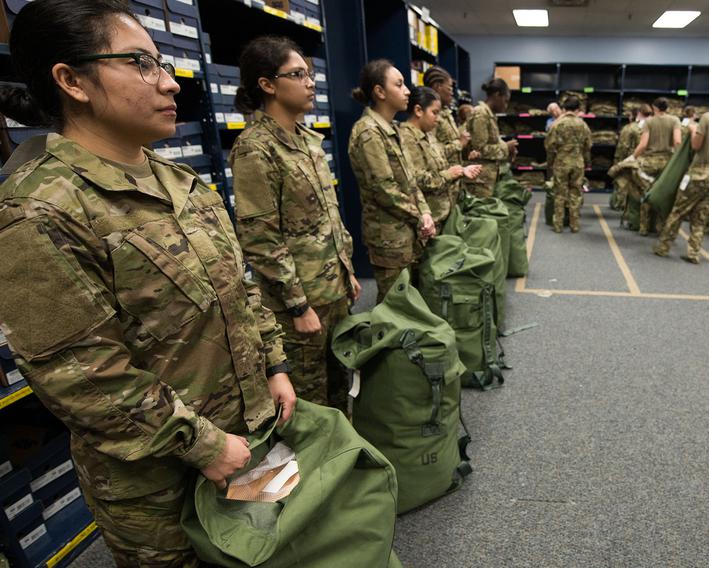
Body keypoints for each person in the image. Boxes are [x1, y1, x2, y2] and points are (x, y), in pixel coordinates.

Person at [0, 1, 296, 564]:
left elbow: (239, 285)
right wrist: (204, 445)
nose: (170, 83)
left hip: (247, 432)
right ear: (71, 80)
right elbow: (81, 374)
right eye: (142, 64)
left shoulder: (179, 180)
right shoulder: (38, 211)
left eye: (164, 63)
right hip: (158, 485)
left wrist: (275, 364)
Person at [229, 36, 359, 414]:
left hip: (331, 287)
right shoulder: (256, 149)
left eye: (310, 73)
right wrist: (298, 306)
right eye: (298, 74)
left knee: (340, 384)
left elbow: (327, 218)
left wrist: (346, 271)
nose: (310, 82)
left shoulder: (307, 141)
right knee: (309, 401)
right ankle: (316, 470)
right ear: (267, 85)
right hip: (299, 303)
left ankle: (344, 461)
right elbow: (260, 238)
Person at [348, 59, 434, 302]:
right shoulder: (368, 132)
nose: (407, 90)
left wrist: (425, 213)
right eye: (399, 84)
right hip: (388, 236)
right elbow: (384, 189)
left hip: (407, 230)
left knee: (409, 299)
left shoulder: (392, 128)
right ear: (380, 92)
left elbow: (411, 180)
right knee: (394, 306)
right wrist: (420, 216)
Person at [653, 88, 709, 263]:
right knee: (702, 214)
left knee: (678, 210)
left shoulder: (707, 118)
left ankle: (663, 246)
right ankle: (694, 252)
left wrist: (693, 130)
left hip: (698, 173)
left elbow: (696, 145)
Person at [400, 87, 481, 229]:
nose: (437, 119)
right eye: (434, 113)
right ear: (418, 111)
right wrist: (452, 173)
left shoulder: (428, 134)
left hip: (443, 213)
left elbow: (440, 162)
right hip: (431, 219)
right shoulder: (407, 138)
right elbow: (418, 179)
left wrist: (462, 169)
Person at [632, 97, 682, 235]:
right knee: (664, 196)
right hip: (667, 163)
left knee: (647, 194)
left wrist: (632, 157)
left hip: (649, 162)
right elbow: (677, 142)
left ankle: (644, 227)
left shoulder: (649, 122)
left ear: (654, 107)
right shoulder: (675, 120)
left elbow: (643, 145)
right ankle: (660, 227)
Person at [544, 95, 592, 233]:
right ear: (578, 109)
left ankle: (558, 225)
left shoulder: (557, 124)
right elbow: (588, 146)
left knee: (560, 194)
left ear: (564, 109)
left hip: (561, 163)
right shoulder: (583, 124)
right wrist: (587, 162)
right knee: (576, 193)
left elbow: (549, 145)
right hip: (578, 163)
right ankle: (574, 225)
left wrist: (550, 164)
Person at [464, 78, 518, 197]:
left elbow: (491, 141)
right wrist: (506, 148)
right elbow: (479, 150)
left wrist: (508, 148)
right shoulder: (481, 114)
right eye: (505, 101)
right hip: (479, 181)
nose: (506, 105)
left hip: (486, 179)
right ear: (497, 95)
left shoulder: (489, 115)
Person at [423, 66, 476, 171]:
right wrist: (459, 143)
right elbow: (431, 153)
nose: (452, 92)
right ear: (438, 87)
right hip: (443, 179)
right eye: (450, 88)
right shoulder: (430, 116)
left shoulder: (446, 112)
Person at [610, 103, 652, 211]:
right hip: (650, 161)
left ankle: (624, 205)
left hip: (632, 161)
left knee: (629, 186)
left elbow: (622, 147)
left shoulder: (630, 128)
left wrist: (618, 163)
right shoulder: (654, 125)